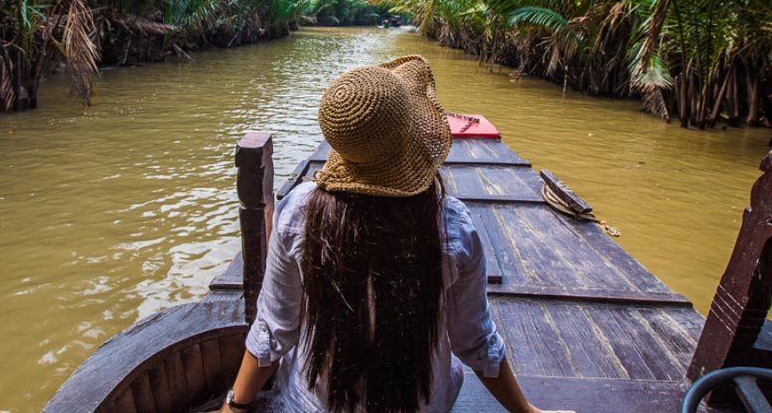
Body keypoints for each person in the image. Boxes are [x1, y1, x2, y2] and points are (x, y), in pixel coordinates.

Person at [217, 55, 574, 413]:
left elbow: (274, 330)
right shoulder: (452, 224)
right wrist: (526, 412)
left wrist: (235, 405)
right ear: (412, 135)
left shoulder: (296, 212)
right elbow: (475, 341)